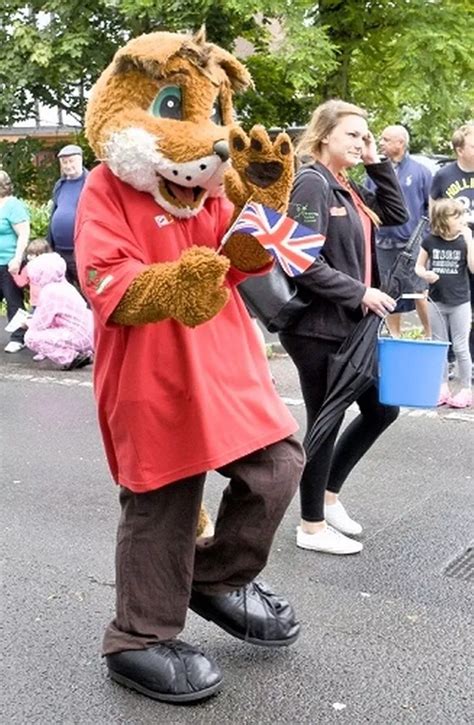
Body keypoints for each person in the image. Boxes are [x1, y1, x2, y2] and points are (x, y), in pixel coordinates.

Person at [279, 99, 408, 556]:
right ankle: (310, 526)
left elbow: (396, 214)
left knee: (381, 409)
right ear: (324, 135)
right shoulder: (311, 183)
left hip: (348, 325)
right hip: (317, 326)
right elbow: (296, 259)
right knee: (326, 419)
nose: (361, 142)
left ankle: (327, 497)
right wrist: (359, 292)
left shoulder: (345, 186)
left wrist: (376, 163)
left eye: (365, 135)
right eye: (352, 135)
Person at [366, 124, 432, 337]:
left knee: (419, 291)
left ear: (400, 143)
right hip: (384, 243)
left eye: (386, 140)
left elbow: (430, 208)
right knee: (389, 292)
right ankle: (396, 337)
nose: (381, 143)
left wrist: (426, 239)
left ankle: (430, 333)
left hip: (413, 243)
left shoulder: (420, 172)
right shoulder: (376, 172)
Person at [415, 199, 473, 408]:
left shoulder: (464, 239)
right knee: (438, 345)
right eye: (455, 216)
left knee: (460, 346)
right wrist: (426, 274)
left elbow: (473, 267)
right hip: (436, 301)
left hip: (459, 302)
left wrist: (469, 240)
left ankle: (466, 388)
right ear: (442, 219)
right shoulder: (430, 240)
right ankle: (442, 386)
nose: (461, 220)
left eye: (462, 215)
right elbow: (418, 267)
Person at [430, 122, 474, 377]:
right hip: (450, 249)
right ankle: (446, 360)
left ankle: (467, 358)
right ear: (460, 149)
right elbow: (432, 211)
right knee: (448, 302)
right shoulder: (444, 175)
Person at [23, 252, 94, 369]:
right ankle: (83, 354)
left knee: (30, 337)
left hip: (79, 336)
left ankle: (70, 358)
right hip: (90, 333)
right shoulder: (66, 286)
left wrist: (27, 323)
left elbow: (40, 324)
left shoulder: (49, 291)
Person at [47, 144, 88, 289]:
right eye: (64, 162)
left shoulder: (90, 183)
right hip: (59, 250)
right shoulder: (60, 184)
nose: (68, 165)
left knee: (89, 288)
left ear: (80, 160)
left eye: (71, 161)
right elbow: (54, 212)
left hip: (82, 250)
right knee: (65, 291)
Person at [0, 169, 30, 353]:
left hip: (9, 262)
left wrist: (17, 259)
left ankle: (19, 337)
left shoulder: (13, 205)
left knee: (13, 300)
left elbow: (24, 233)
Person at [11, 238, 52, 310]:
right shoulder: (53, 266)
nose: (29, 257)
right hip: (52, 300)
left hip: (36, 301)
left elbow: (21, 282)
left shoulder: (29, 267)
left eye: (32, 254)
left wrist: (14, 273)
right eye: (29, 254)